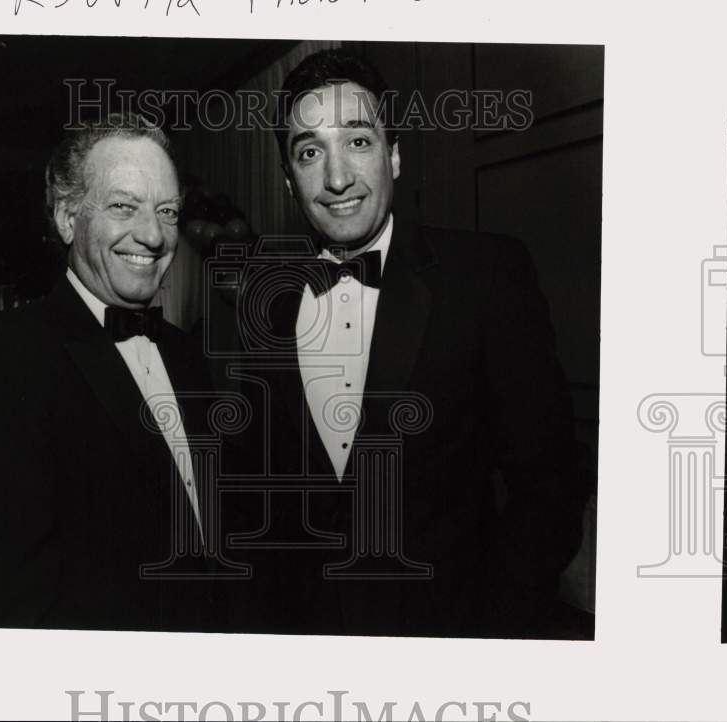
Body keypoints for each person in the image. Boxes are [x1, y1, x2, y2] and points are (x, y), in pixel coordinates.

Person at [234, 50, 591, 638]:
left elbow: (548, 482)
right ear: (287, 178)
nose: (337, 177)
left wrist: (493, 631)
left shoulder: (485, 276)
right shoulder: (265, 300)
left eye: (358, 141)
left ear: (394, 155)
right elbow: (258, 499)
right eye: (309, 151)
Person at [0, 113, 222, 630]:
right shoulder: (1, 353)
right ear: (67, 217)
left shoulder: (188, 355)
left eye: (167, 211)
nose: (153, 235)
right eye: (123, 206)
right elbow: (3, 594)